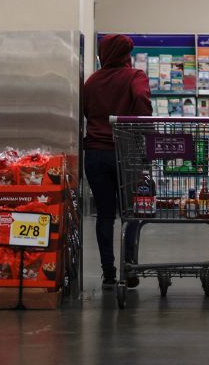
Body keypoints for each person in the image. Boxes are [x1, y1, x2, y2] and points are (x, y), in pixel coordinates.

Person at [83, 34, 151, 286]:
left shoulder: (91, 81)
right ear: (126, 54)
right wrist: (143, 130)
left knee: (105, 215)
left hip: (95, 154)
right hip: (126, 152)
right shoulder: (135, 76)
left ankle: (108, 272)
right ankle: (129, 268)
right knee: (130, 213)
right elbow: (142, 99)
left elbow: (88, 111)